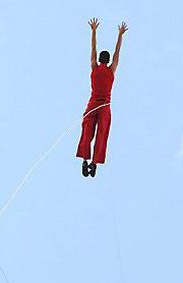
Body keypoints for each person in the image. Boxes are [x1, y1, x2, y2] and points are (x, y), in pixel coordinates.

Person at [76, 18, 128, 177]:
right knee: (102, 134)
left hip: (93, 104)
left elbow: (93, 49)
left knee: (87, 131)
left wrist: (93, 31)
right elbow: (117, 54)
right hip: (104, 106)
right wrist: (120, 36)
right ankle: (93, 163)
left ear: (99, 59)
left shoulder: (94, 67)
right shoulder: (111, 70)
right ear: (108, 60)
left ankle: (86, 160)